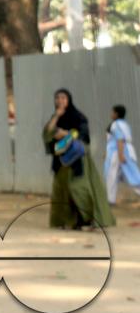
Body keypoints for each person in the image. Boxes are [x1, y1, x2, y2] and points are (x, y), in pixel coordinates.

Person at [43, 88, 114, 229]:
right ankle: (72, 221)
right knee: (62, 192)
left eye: (63, 98)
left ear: (69, 100)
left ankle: (91, 219)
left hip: (78, 161)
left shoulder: (78, 117)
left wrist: (65, 134)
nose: (60, 101)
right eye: (57, 98)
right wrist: (56, 117)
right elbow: (47, 135)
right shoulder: (55, 118)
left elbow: (83, 136)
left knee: (79, 189)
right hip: (61, 162)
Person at [105, 105, 140, 204]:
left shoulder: (115, 124)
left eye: (112, 112)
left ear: (116, 114)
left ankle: (110, 199)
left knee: (111, 175)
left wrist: (121, 154)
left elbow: (119, 139)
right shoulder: (125, 124)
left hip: (118, 152)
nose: (111, 114)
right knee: (132, 174)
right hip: (127, 150)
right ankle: (110, 199)